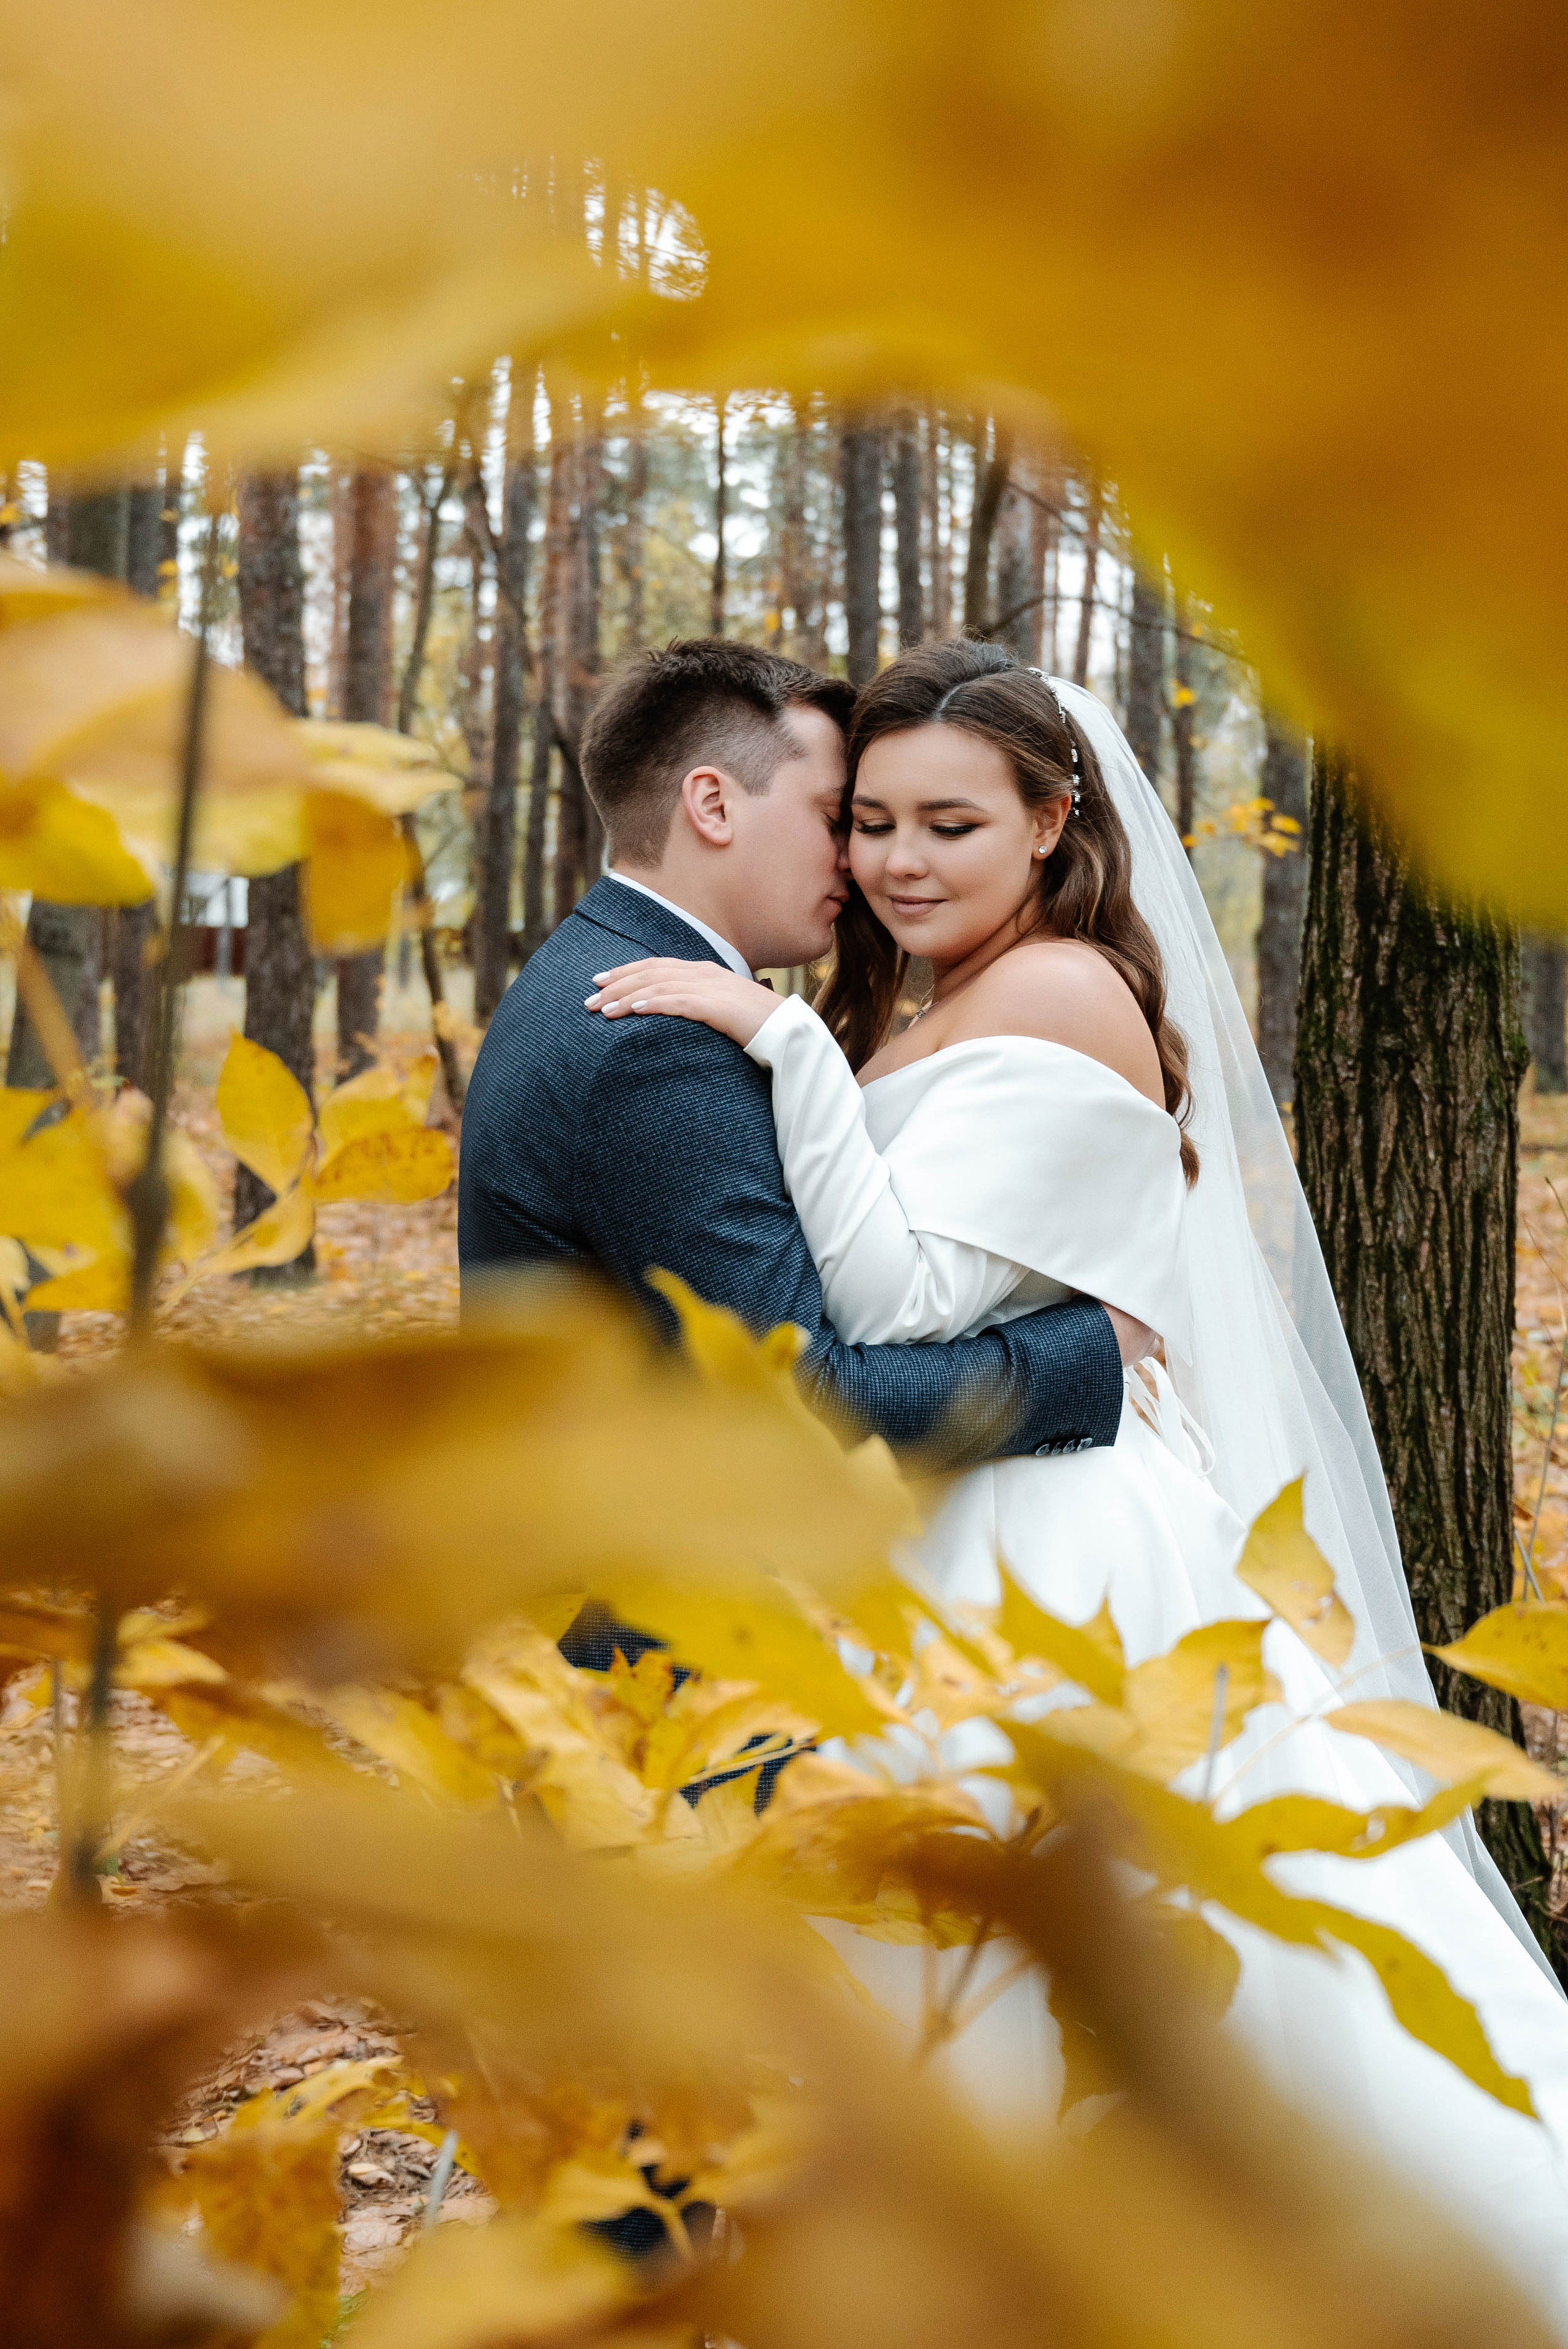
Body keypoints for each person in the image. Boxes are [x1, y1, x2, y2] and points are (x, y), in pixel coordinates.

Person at [584, 640, 1568, 2318]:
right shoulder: (938, 993)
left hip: (1057, 1538)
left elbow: (896, 1302)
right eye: (874, 822)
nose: (899, 862)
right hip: (969, 1505)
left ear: (1052, 821)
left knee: (1092, 1959)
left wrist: (782, 1047)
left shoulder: (1058, 993)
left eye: (952, 825)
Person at [459, 639, 1145, 1498]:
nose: (870, 867)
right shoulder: (653, 1039)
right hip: (655, 1605)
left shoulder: (601, 967)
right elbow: (810, 1396)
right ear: (711, 804)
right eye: (846, 819)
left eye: (946, 824)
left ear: (1046, 822)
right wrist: (1091, 1352)